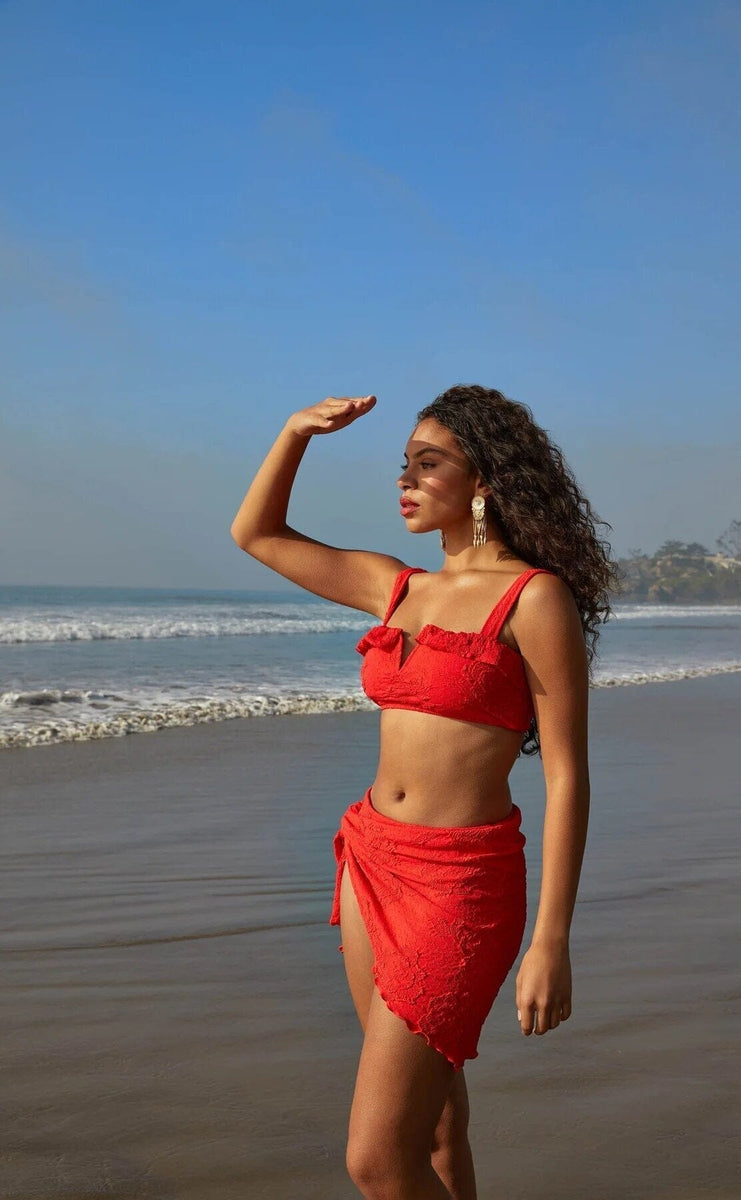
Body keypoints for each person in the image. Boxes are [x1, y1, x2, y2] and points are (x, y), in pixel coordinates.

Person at [230, 384, 618, 1200]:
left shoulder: (532, 598)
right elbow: (256, 534)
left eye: (428, 463)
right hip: (371, 861)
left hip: (461, 886)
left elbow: (566, 773)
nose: (404, 480)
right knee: (436, 1131)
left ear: (483, 480)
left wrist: (553, 940)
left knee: (375, 1159)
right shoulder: (394, 587)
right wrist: (295, 430)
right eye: (402, 464)